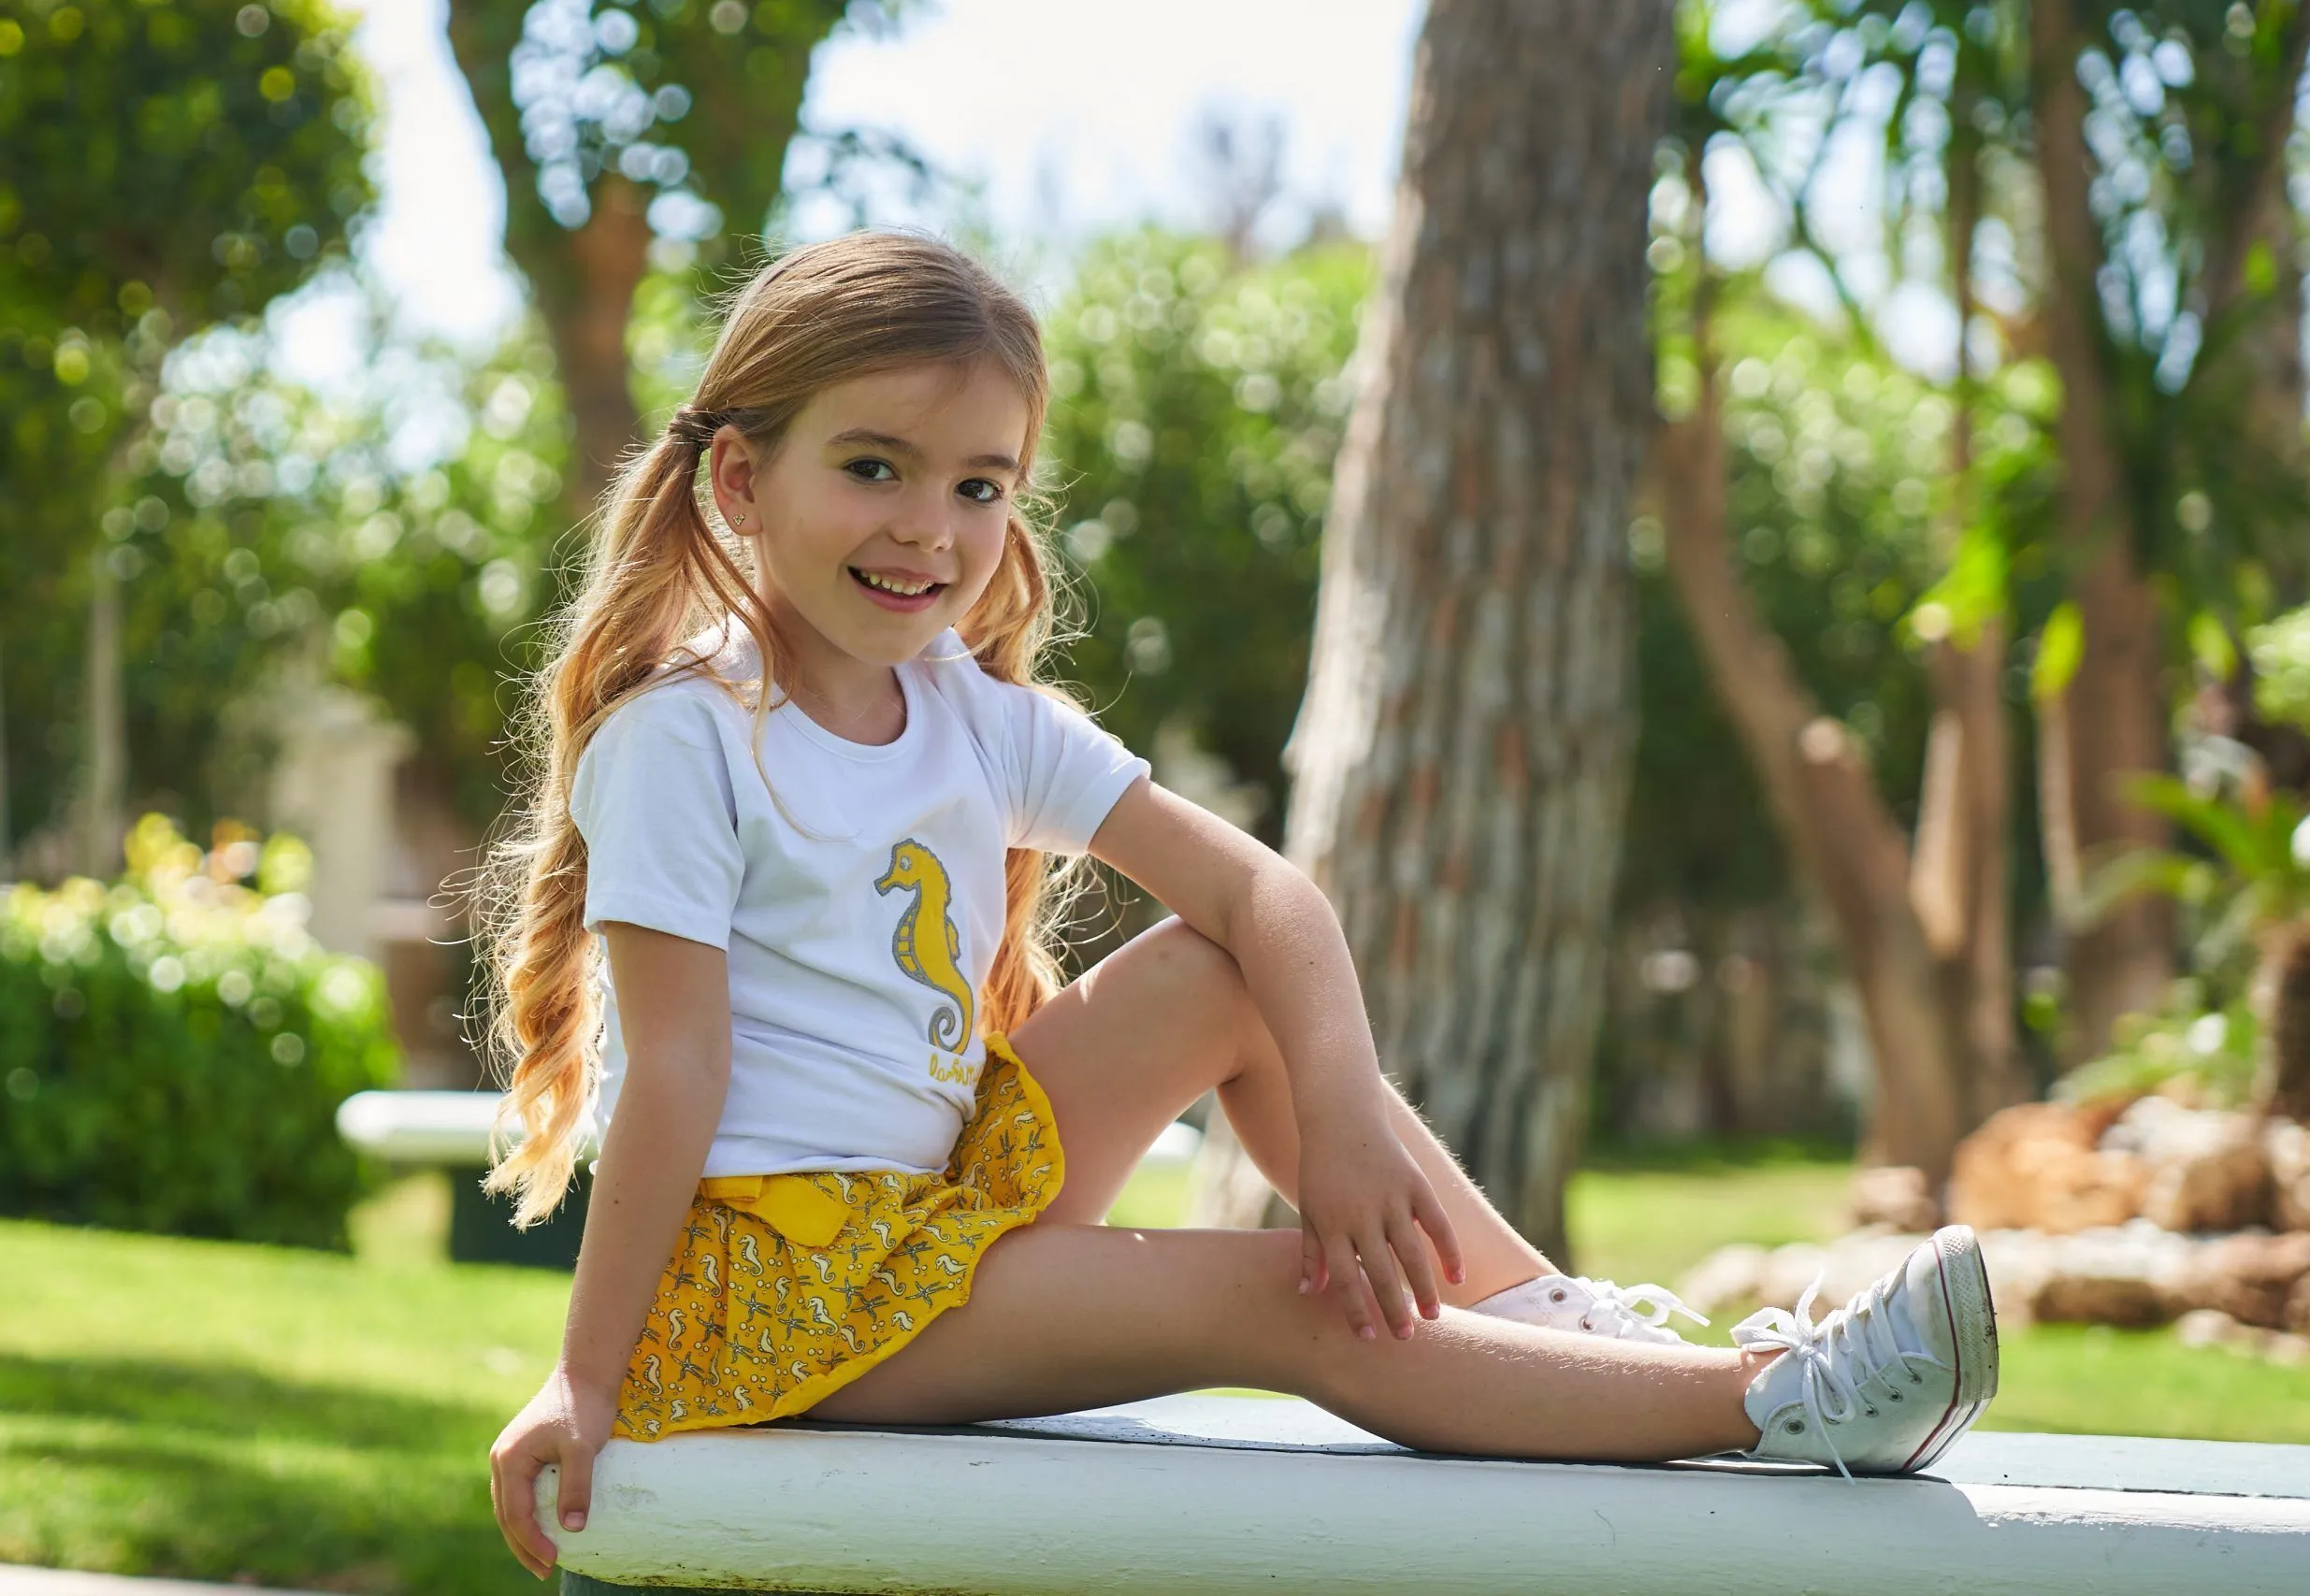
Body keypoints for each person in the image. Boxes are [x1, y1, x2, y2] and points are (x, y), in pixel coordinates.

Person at [483, 232, 1999, 1580]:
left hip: (921, 1213)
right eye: (872, 465)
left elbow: (1266, 894)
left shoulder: (961, 710)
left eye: (979, 486)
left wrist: (1338, 1116)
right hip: (769, 1281)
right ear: (741, 477)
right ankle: (1773, 1404)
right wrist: (585, 1377)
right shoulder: (685, 737)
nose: (928, 529)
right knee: (1295, 1292)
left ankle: (1549, 1324)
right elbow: (675, 1070)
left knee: (1219, 972)